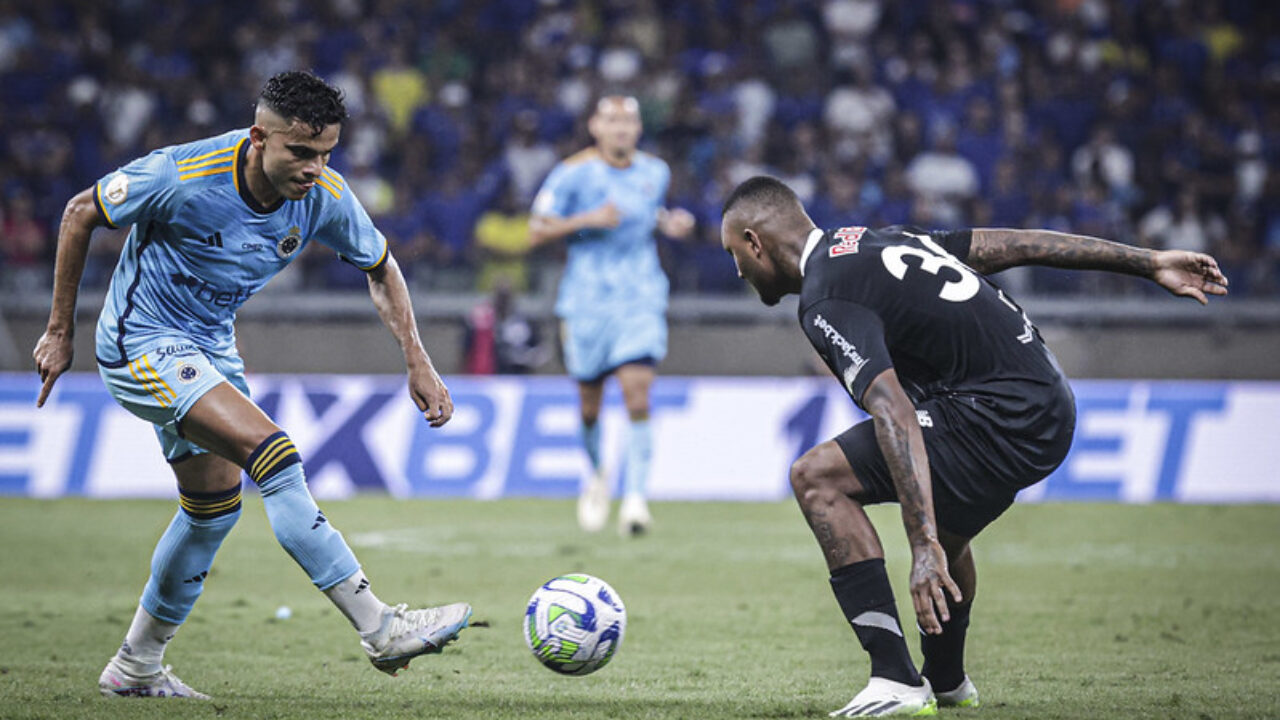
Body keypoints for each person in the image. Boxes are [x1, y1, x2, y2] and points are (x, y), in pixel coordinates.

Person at [31, 71, 471, 700]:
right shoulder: (181, 174)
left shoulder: (324, 195)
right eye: (300, 152)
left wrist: (418, 360)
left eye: (326, 153)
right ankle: (380, 628)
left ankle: (136, 667)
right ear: (260, 137)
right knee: (276, 456)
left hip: (209, 348)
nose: (314, 167)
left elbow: (381, 267)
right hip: (141, 340)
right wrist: (58, 331)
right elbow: (80, 212)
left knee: (212, 512)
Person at [719, 176, 1228, 718]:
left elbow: (893, 410)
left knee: (817, 477)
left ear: (755, 241)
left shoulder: (826, 296)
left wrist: (921, 545)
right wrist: (1146, 262)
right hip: (1047, 403)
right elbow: (1016, 243)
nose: (738, 271)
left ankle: (894, 678)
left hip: (995, 415)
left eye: (734, 254)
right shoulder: (881, 239)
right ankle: (946, 681)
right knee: (953, 528)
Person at [528, 95, 695, 535]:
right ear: (595, 127)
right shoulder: (571, 174)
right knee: (589, 404)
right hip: (586, 301)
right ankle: (598, 475)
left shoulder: (655, 172)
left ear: (638, 129)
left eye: (629, 121)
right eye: (612, 121)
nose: (621, 128)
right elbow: (536, 228)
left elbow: (644, 211)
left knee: (638, 394)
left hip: (640, 294)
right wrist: (586, 219)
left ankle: (636, 500)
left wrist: (667, 222)